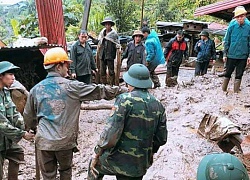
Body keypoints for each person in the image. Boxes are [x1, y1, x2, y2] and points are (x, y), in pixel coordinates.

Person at [23, 47, 127, 180]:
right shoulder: (72, 87)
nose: (68, 68)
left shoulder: (35, 90)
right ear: (59, 66)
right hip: (64, 142)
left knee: (48, 176)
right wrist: (121, 90)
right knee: (65, 171)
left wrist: (32, 129)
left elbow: (28, 116)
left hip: (44, 142)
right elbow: (99, 91)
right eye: (66, 65)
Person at [87, 63, 168, 180]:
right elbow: (162, 138)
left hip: (118, 161)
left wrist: (97, 152)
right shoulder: (158, 105)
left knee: (93, 165)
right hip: (140, 165)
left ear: (130, 82)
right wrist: (148, 153)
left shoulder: (124, 100)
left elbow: (110, 134)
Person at [0, 61, 34, 180]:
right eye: (10, 74)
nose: (14, 78)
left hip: (5, 139)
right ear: (1, 76)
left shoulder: (5, 92)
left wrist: (26, 127)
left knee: (17, 153)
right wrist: (22, 134)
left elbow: (14, 114)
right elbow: (2, 124)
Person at [222, 6, 250, 93]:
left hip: (243, 54)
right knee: (228, 72)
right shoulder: (232, 25)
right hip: (231, 53)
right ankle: (224, 89)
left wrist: (249, 56)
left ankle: (236, 91)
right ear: (235, 17)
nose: (240, 19)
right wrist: (225, 54)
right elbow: (226, 40)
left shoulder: (249, 26)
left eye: (242, 16)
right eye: (238, 17)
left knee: (239, 74)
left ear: (245, 16)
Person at [98, 17, 120, 86]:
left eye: (109, 24)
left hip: (110, 55)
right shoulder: (102, 34)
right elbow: (99, 42)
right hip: (102, 55)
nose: (107, 26)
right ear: (104, 25)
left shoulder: (114, 34)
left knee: (111, 71)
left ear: (111, 25)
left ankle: (112, 85)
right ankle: (104, 85)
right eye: (106, 24)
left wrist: (118, 49)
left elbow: (117, 44)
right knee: (102, 71)